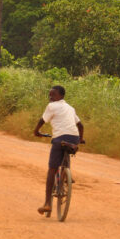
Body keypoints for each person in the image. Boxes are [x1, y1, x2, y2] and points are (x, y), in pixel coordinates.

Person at [33, 85, 84, 215]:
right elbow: (80, 125)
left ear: (61, 96)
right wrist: (80, 139)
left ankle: (47, 204)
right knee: (67, 150)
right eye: (50, 95)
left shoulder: (52, 107)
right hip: (74, 137)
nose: (51, 97)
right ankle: (67, 175)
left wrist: (36, 131)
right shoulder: (70, 108)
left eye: (53, 95)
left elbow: (42, 120)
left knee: (52, 169)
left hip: (59, 137)